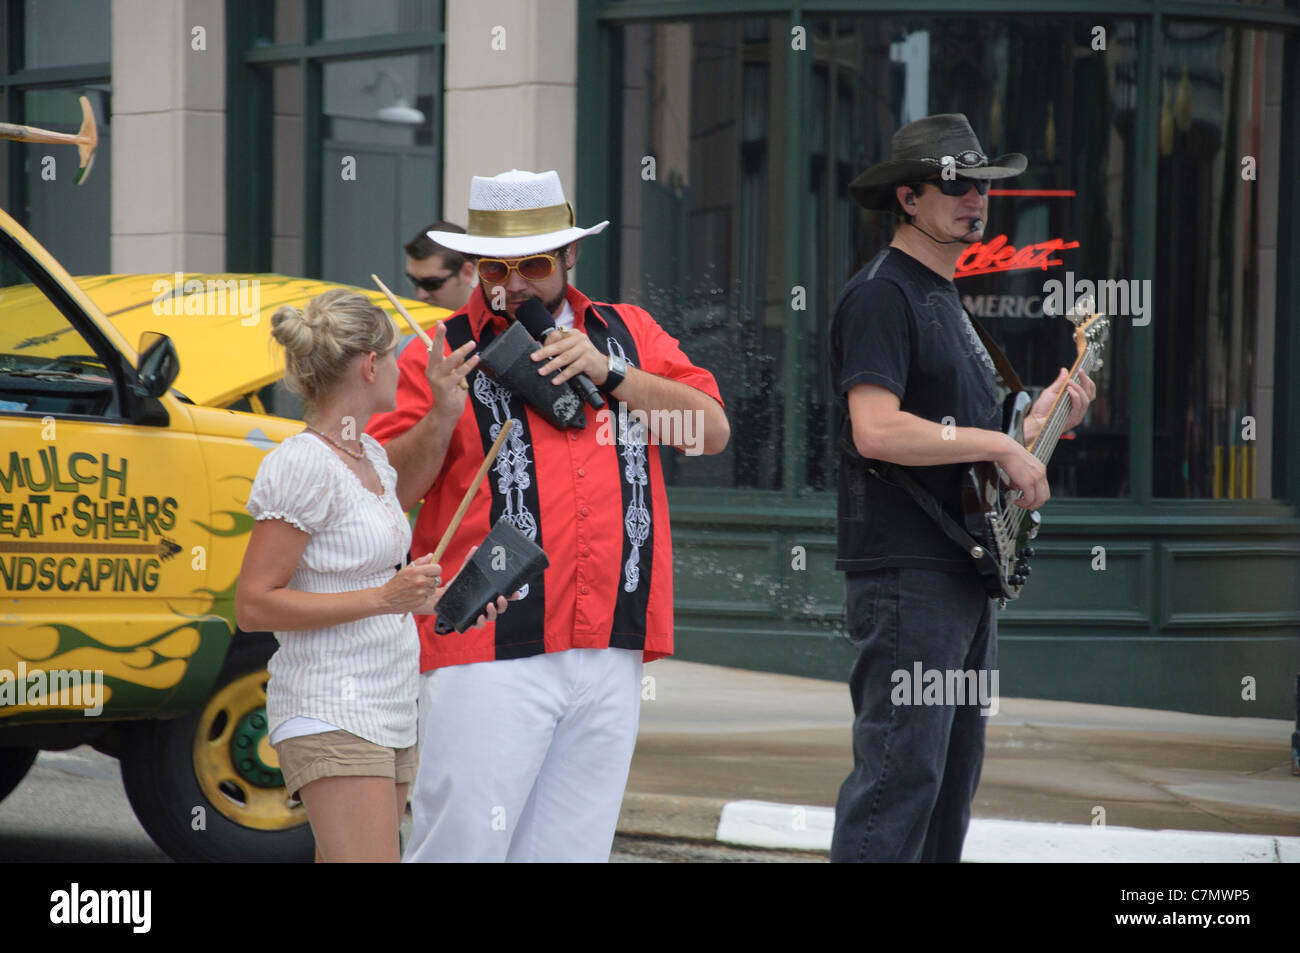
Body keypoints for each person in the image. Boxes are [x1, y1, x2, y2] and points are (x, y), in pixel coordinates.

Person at [367, 169, 730, 862]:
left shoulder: (629, 332)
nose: (513, 286)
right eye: (494, 269)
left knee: (572, 850)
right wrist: (440, 414)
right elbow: (388, 488)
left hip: (611, 636)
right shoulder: (435, 350)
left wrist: (610, 372)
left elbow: (707, 432)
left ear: (570, 256)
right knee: (463, 846)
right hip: (486, 637)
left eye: (532, 266)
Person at [828, 114, 1096, 862]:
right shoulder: (882, 294)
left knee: (947, 789)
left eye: (982, 185)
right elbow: (875, 429)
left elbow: (971, 450)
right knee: (897, 782)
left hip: (960, 572)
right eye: (955, 185)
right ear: (908, 198)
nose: (974, 198)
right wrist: (1001, 444)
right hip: (907, 574)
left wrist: (1038, 422)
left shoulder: (946, 298)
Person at [234, 288, 511, 863]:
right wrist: (385, 597)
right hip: (330, 704)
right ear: (369, 365)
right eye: (394, 354)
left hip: (389, 701)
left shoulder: (371, 457)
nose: (403, 367)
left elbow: (371, 583)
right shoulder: (302, 463)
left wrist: (441, 599)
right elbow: (254, 605)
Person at [404, 221, 476, 311]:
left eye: (432, 283)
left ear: (467, 273)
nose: (421, 294)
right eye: (413, 280)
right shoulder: (406, 317)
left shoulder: (492, 318)